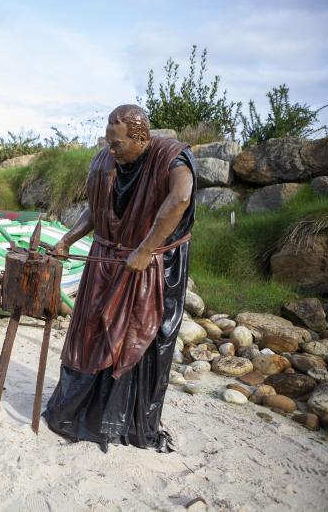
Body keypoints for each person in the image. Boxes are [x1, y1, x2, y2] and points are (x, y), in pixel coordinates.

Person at [43, 104, 196, 453]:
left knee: (137, 339)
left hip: (152, 267)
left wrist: (145, 249)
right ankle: (76, 413)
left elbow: (181, 197)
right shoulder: (107, 162)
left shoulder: (171, 157)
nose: (111, 151)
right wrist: (67, 240)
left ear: (141, 137)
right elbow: (96, 210)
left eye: (119, 144)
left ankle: (126, 424)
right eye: (109, 143)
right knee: (90, 333)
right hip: (107, 263)